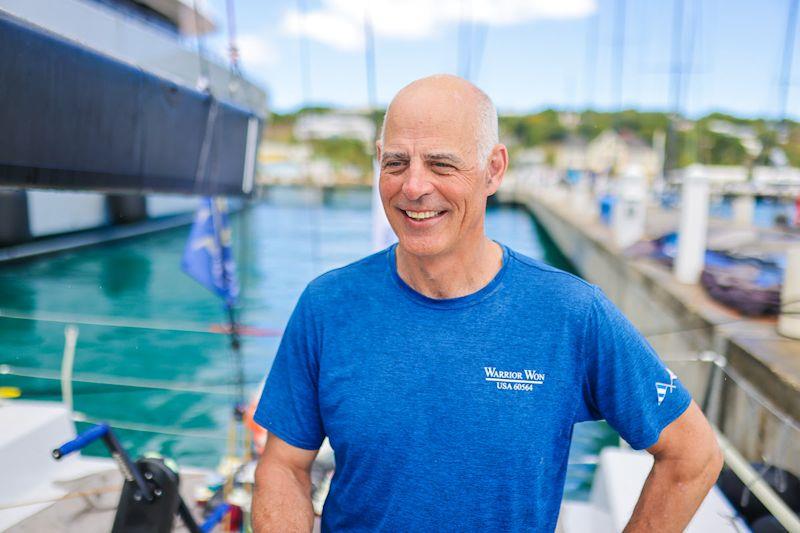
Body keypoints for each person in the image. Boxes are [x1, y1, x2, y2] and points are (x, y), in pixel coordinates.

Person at [251, 75, 723, 532]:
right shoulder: (327, 305)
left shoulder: (570, 313)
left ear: (493, 170)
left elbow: (692, 453)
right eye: (396, 162)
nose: (413, 186)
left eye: (441, 164)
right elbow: (284, 467)